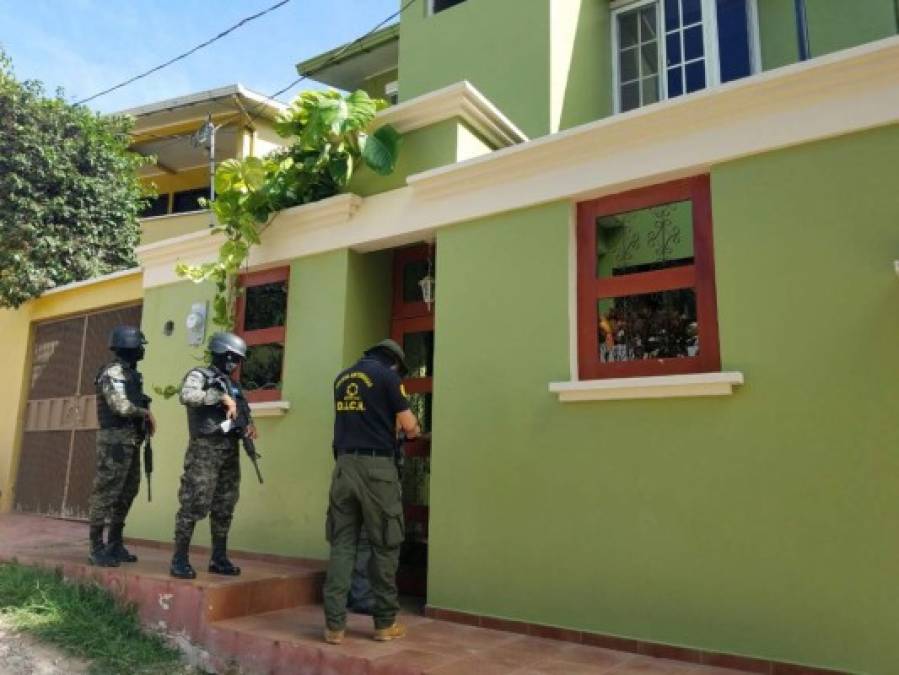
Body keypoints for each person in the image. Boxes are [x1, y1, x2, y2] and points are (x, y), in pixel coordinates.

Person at [323, 339, 421, 645]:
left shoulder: (342, 378)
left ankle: (334, 627)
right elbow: (409, 425)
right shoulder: (389, 378)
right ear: (393, 361)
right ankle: (384, 623)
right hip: (376, 468)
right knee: (385, 544)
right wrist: (415, 430)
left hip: (343, 466)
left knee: (342, 545)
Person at [169, 332, 257, 579]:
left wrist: (248, 424)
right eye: (231, 357)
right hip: (205, 451)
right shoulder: (200, 376)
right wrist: (218, 396)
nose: (234, 364)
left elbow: (241, 411)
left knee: (225, 505)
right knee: (194, 502)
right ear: (219, 353)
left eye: (238, 359)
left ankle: (219, 558)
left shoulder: (233, 384)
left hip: (229, 452)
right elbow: (187, 396)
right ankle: (179, 559)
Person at [87, 325, 155, 567]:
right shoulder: (113, 372)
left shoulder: (131, 375)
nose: (142, 351)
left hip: (130, 441)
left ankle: (114, 543)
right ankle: (96, 547)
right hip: (115, 441)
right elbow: (120, 406)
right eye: (140, 346)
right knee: (106, 492)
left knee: (128, 491)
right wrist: (145, 413)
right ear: (129, 346)